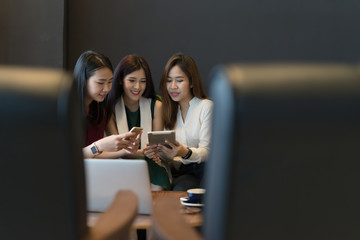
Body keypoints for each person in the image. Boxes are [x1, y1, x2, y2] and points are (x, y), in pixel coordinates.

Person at [145, 53, 213, 191]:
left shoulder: (206, 107)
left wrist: (184, 152)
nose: (173, 86)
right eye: (169, 80)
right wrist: (156, 153)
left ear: (192, 82)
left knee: (179, 190)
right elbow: (166, 154)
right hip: (170, 170)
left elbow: (207, 152)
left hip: (197, 171)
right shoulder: (166, 109)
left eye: (179, 80)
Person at [107, 54, 170, 190]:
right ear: (120, 80)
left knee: (155, 188)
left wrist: (151, 153)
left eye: (143, 81)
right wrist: (141, 152)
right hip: (122, 164)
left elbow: (155, 147)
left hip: (151, 165)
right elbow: (119, 148)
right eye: (132, 80)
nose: (138, 87)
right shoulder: (110, 108)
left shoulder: (156, 106)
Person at [73, 50, 139, 159]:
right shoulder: (67, 109)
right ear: (84, 80)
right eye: (100, 83)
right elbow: (68, 156)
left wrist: (125, 150)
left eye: (110, 82)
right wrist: (98, 146)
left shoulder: (99, 109)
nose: (107, 89)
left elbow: (94, 155)